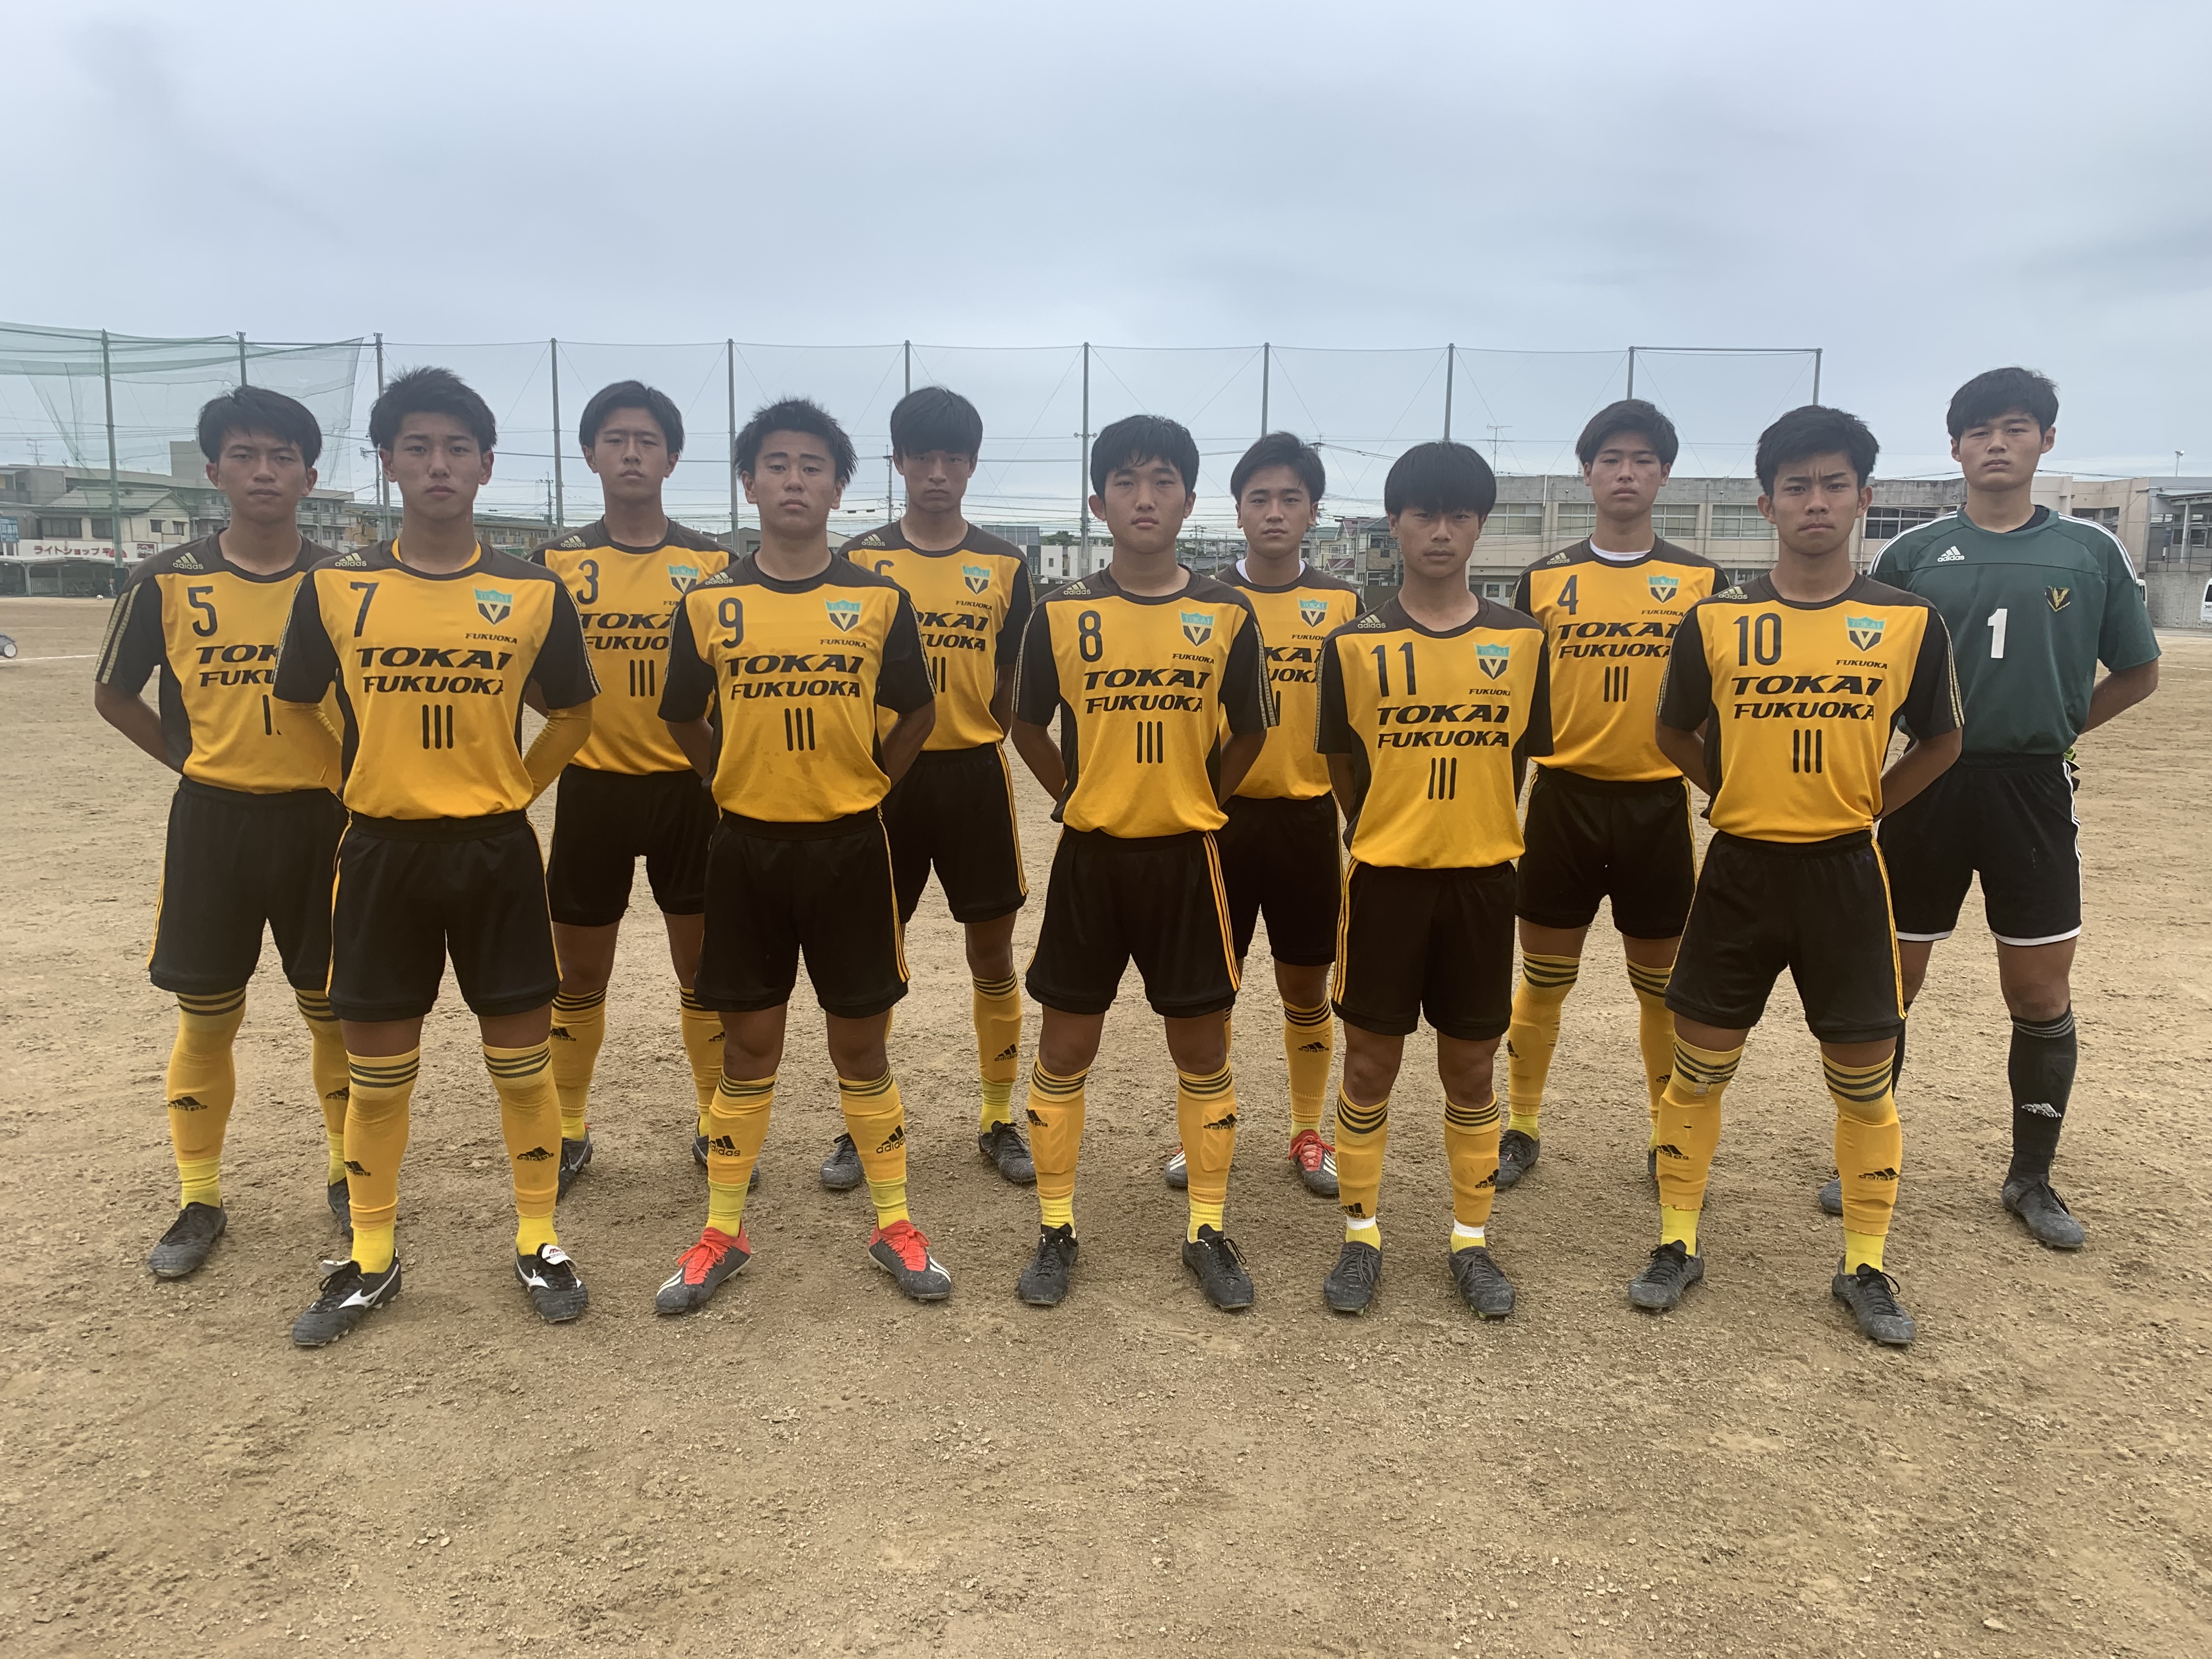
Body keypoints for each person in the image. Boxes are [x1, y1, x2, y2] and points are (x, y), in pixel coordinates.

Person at [270, 366, 600, 1346]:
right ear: (388, 463)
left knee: (522, 1066)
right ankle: (372, 1257)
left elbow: (574, 713)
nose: (439, 464)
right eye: (417, 446)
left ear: (487, 466)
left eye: (458, 448)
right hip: (381, 852)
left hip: (496, 851)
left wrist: (517, 786)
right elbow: (292, 706)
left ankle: (538, 1238)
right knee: (379, 1073)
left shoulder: (532, 589)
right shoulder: (337, 586)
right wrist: (350, 784)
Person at [1639, 405, 1961, 1347]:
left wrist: (1870, 804)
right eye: (1796, 487)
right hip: (1739, 869)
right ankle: (1678, 1240)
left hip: (1847, 873)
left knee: (1864, 1084)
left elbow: (1943, 740)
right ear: (1766, 504)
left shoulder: (1907, 620)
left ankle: (1864, 1264)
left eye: (1833, 485)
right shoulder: (1717, 619)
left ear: (1863, 498)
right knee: (1697, 1073)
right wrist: (1735, 789)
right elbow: (1671, 732)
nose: (1815, 501)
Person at [1844, 368, 2160, 1250]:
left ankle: (2032, 1177)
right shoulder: (1911, 557)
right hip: (1926, 785)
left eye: (2015, 428)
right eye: (1979, 431)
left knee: (2038, 988)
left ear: (2045, 441)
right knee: (1891, 980)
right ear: (1954, 448)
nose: (1996, 444)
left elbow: (2138, 672)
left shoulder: (2090, 551)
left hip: (2032, 788)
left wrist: (2057, 726)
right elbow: (1870, 679)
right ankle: (1866, 1160)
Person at [652, 397, 951, 1314]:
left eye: (812, 466)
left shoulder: (878, 600)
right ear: (749, 482)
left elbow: (919, 712)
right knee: (750, 1046)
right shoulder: (710, 603)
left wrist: (871, 783)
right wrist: (726, 778)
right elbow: (681, 715)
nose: (794, 480)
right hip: (745, 849)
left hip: (851, 849)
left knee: (860, 1044)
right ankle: (722, 1233)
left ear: (839, 485)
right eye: (776, 464)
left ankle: (894, 1223)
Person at [1007, 414, 1274, 1310]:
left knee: (1201, 1048)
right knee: (1065, 1045)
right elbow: (1024, 724)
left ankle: (1206, 1229)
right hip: (1091, 859)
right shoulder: (1061, 611)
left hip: (1188, 860)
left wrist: (1202, 796)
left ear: (1190, 501)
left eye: (1162, 481)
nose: (1145, 497)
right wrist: (1073, 793)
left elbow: (1253, 732)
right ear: (1099, 503)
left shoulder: (1226, 613)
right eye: (1126, 481)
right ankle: (1055, 1228)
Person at [94, 386, 349, 1280]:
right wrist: (189, 759)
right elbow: (113, 693)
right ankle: (199, 1196)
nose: (264, 471)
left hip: (325, 822)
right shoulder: (163, 579)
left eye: (282, 456)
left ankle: (347, 1177)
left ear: (310, 476)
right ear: (214, 471)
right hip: (214, 822)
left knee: (333, 1011)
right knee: (207, 1015)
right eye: (245, 455)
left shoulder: (345, 582)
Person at [1312, 441, 1550, 1317]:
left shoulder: (1523, 640)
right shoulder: (1354, 645)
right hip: (1385, 881)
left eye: (1458, 515)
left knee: (1472, 1070)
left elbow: (1521, 754)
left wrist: (1469, 823)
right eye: (1424, 514)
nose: (1441, 531)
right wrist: (1390, 823)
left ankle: (1470, 1241)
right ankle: (1361, 1235)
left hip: (1483, 883)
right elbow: (1342, 763)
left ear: (1479, 526)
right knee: (1370, 1064)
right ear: (1396, 523)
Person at [1502, 400, 1721, 1188]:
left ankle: (1667, 1134)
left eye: (1642, 461)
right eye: (1611, 460)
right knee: (1543, 978)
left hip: (1657, 806)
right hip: (1562, 800)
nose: (1626, 473)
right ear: (1587, 473)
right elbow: (1513, 707)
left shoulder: (1702, 582)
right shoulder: (1544, 578)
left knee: (1661, 989)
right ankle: (1521, 1125)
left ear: (1664, 475)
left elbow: (1719, 704)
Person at [828, 386, 1037, 1189]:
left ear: (972, 465)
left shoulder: (1005, 563)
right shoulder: (860, 561)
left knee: (992, 951)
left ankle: (997, 1117)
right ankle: (863, 1122)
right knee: (871, 957)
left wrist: (984, 728)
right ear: (899, 462)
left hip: (974, 776)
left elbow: (1009, 674)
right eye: (924, 457)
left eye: (954, 458)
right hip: (885, 776)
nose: (939, 473)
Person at [527, 380, 730, 1193]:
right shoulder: (554, 565)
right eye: (616, 440)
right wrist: (570, 717)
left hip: (688, 791)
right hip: (593, 789)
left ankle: (715, 1119)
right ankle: (569, 1127)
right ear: (590, 454)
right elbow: (525, 670)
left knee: (703, 968)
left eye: (648, 441)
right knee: (578, 973)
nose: (632, 454)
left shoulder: (712, 565)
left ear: (672, 458)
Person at [1161, 432, 1361, 1200]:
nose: (1275, 512)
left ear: (1313, 511)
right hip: (1220, 821)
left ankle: (1309, 1132)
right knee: (1212, 989)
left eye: (1290, 499)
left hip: (1307, 821)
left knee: (1306, 987)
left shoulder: (1343, 604)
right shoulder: (1204, 601)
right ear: (1237, 511)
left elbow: (1355, 725)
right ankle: (1209, 1127)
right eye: (1260, 499)